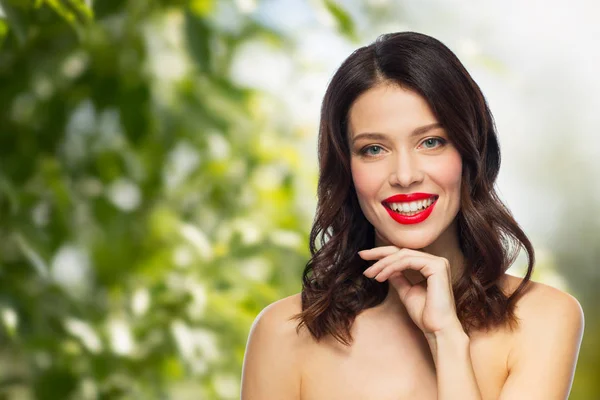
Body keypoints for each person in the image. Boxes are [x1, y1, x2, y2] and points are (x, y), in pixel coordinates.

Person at [240, 31, 584, 399]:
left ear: (470, 152)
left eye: (431, 142)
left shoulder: (544, 318)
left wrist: (446, 340)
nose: (405, 175)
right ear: (346, 168)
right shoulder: (283, 333)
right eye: (374, 149)